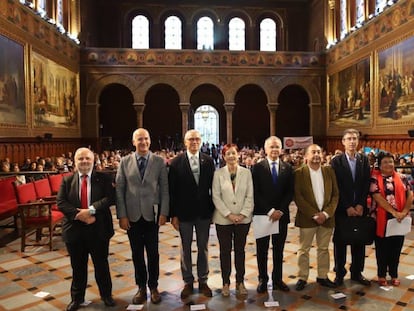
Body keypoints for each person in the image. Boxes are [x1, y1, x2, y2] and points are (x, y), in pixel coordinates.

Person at [57, 147, 116, 311]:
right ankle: (77, 298)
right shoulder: (67, 180)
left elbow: (110, 198)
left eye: (87, 159)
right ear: (75, 162)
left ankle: (106, 295)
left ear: (93, 161)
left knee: (101, 265)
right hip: (74, 230)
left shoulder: (103, 178)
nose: (84, 161)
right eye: (80, 159)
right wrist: (80, 215)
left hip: (98, 229)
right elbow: (61, 202)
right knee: (77, 266)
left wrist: (91, 210)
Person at [115, 128, 169, 304]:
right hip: (132, 216)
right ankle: (140, 287)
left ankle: (153, 286)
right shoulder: (124, 162)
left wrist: (164, 213)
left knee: (153, 253)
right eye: (139, 139)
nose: (143, 142)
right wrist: (122, 215)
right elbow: (120, 191)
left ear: (150, 141)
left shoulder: (159, 161)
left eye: (146, 139)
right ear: (133, 142)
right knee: (136, 253)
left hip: (152, 215)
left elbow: (165, 190)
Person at [168, 129, 216, 299]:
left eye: (197, 139)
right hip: (184, 213)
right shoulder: (175, 162)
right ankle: (188, 281)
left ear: (201, 141)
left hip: (204, 212)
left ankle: (203, 280)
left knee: (203, 247)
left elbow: (214, 188)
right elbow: (171, 191)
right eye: (191, 139)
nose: (194, 142)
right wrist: (173, 215)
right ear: (185, 142)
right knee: (185, 247)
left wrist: (214, 211)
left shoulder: (209, 161)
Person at [251, 136, 294, 293]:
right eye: (272, 147)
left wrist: (280, 210)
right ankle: (263, 279)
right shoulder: (257, 168)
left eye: (277, 147)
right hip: (263, 214)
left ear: (281, 149)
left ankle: (277, 279)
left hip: (281, 215)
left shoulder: (288, 168)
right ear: (265, 149)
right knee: (262, 250)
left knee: (279, 249)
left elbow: (290, 192)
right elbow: (255, 192)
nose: (275, 150)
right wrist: (270, 211)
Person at [294, 144, 339, 291]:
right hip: (308, 218)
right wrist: (314, 214)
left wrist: (325, 213)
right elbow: (298, 197)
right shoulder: (299, 173)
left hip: (327, 218)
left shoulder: (329, 171)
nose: (316, 155)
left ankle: (323, 276)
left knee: (324, 249)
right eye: (313, 152)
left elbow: (335, 195)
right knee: (304, 249)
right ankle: (302, 277)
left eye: (319, 152)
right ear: (306, 156)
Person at [212, 143, 253, 297]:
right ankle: (225, 283)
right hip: (223, 219)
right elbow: (216, 196)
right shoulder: (218, 174)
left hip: (243, 219)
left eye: (233, 153)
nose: (231, 156)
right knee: (225, 252)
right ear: (223, 156)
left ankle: (240, 282)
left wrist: (242, 214)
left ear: (238, 155)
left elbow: (250, 196)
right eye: (227, 153)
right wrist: (229, 214)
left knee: (240, 251)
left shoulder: (247, 173)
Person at [331, 128, 371, 286]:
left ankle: (356, 272)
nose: (352, 141)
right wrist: (347, 205)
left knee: (359, 241)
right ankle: (339, 273)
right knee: (340, 242)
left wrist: (360, 204)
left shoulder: (364, 160)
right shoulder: (336, 161)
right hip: (342, 208)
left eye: (355, 138)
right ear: (343, 142)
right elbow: (337, 186)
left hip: (360, 208)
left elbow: (366, 183)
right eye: (349, 138)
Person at [369, 152, 413, 286]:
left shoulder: (403, 177)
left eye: (391, 161)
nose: (389, 164)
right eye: (385, 162)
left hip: (400, 218)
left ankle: (394, 274)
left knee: (396, 248)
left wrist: (404, 211)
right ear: (380, 165)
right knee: (382, 248)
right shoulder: (374, 178)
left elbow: (410, 195)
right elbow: (377, 197)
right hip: (382, 218)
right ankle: (381, 275)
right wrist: (394, 212)